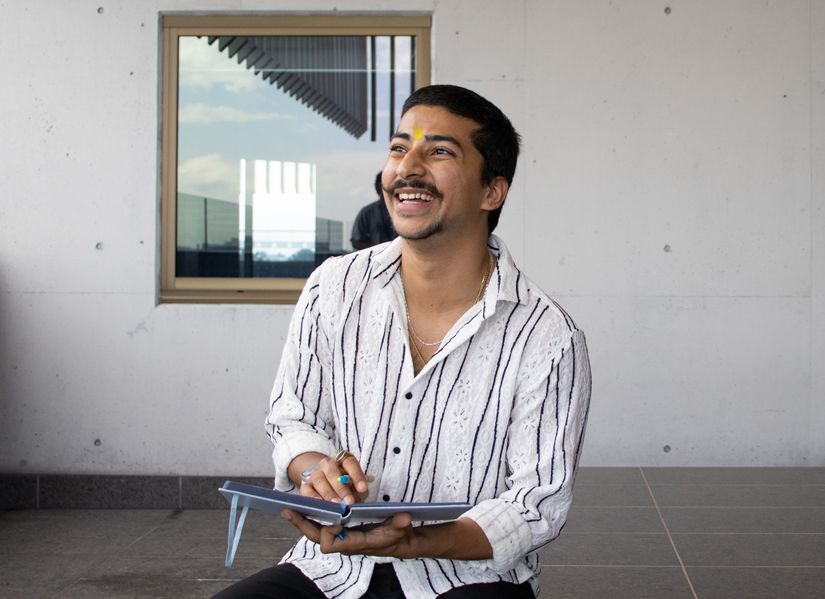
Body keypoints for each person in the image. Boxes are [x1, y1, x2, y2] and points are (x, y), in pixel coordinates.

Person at [215, 84, 591, 599]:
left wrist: (412, 543)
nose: (407, 167)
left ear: (491, 191)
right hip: (330, 570)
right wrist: (319, 473)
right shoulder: (335, 287)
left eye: (438, 150)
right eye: (398, 148)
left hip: (467, 579)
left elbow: (534, 505)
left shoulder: (546, 336)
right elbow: (293, 416)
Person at [350, 173, 397, 250]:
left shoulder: (406, 210)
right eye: (383, 187)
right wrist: (377, 250)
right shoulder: (367, 212)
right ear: (378, 188)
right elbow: (356, 241)